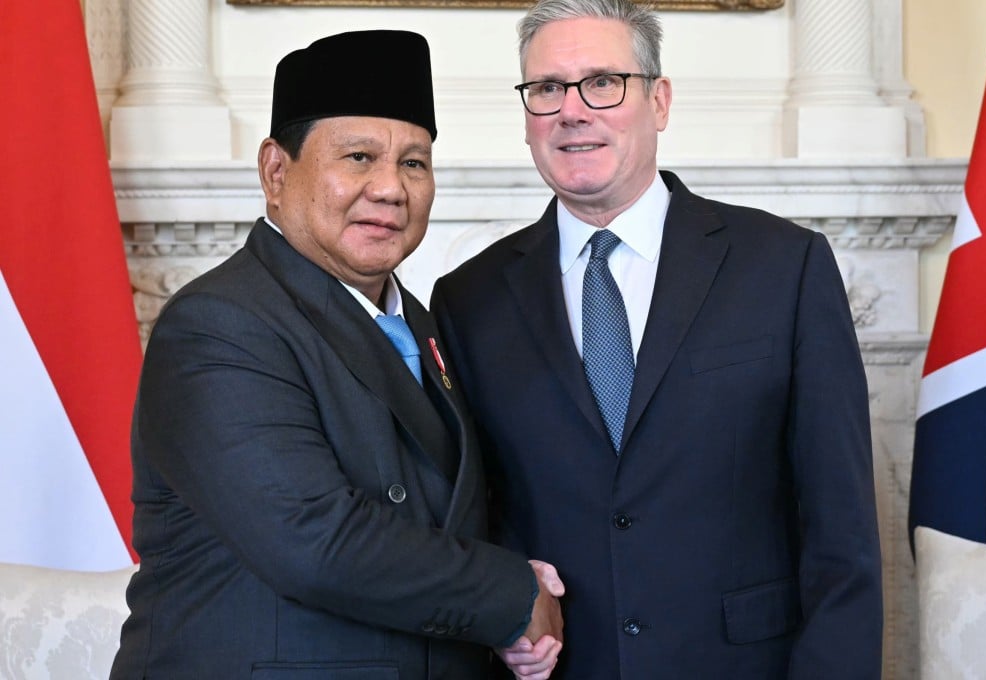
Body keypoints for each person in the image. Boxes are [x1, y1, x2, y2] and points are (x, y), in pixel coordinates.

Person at [429, 0, 884, 677]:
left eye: (603, 82)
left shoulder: (783, 267)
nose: (572, 111)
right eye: (547, 89)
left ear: (659, 100)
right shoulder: (468, 299)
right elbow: (473, 518)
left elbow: (840, 532)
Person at [110, 30, 564, 680]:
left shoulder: (428, 324)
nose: (390, 189)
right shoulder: (220, 324)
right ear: (275, 171)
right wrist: (511, 595)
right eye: (357, 157)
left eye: (414, 163)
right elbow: (313, 541)